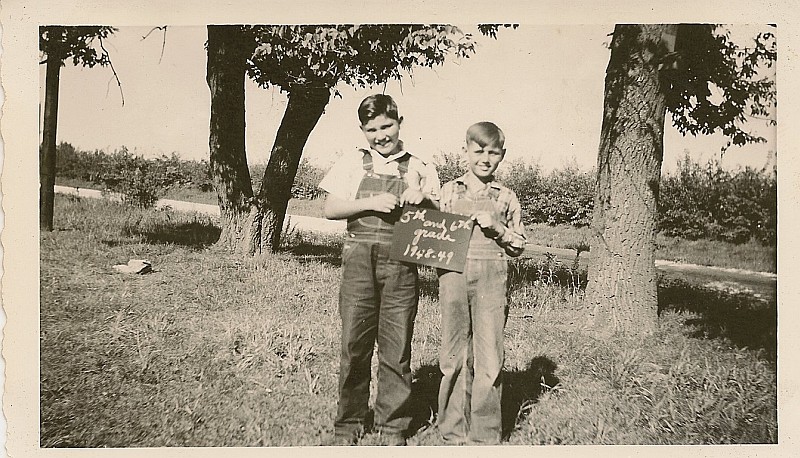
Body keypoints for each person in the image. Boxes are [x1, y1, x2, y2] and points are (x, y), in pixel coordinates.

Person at [319, 94, 440, 446]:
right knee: (354, 344)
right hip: (358, 260)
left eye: (387, 126)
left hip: (401, 263)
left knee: (396, 345)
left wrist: (423, 199)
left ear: (400, 122)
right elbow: (330, 209)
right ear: (363, 130)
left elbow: (440, 221)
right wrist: (370, 202)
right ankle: (349, 423)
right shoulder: (353, 161)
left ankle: (392, 426)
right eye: (372, 130)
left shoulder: (420, 166)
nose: (381, 135)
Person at [436, 121, 526, 445]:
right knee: (453, 354)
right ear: (466, 151)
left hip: (491, 280)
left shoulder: (506, 197)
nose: (485, 159)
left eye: (493, 153)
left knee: (489, 356)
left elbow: (519, 245)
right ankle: (452, 430)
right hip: (453, 276)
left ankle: (485, 435)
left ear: (502, 155)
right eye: (478, 151)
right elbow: (429, 234)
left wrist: (498, 228)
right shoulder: (448, 191)